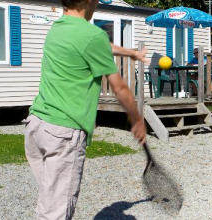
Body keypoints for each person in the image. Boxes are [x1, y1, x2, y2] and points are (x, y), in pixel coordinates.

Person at [23, 0, 147, 219]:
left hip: (37, 127)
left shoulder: (58, 27)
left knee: (48, 203)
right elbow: (119, 87)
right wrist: (137, 121)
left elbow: (100, 45)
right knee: (56, 212)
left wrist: (130, 53)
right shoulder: (92, 36)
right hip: (63, 134)